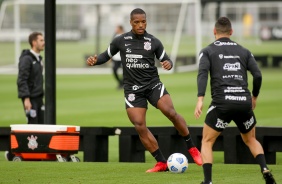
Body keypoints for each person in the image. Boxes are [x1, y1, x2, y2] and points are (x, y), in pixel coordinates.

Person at [87, 8, 202, 172]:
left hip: (153, 85)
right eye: (137, 22)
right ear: (131, 22)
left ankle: (191, 147)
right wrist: (95, 60)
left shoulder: (154, 41)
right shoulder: (121, 40)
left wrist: (168, 64)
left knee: (170, 112)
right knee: (139, 125)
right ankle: (161, 162)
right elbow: (106, 55)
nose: (141, 25)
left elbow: (166, 59)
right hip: (133, 90)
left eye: (143, 22)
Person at [194, 17, 276, 184]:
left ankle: (208, 181)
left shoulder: (208, 50)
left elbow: (202, 74)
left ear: (214, 31)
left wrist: (200, 99)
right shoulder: (244, 51)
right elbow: (258, 75)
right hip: (243, 102)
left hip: (222, 103)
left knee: (207, 141)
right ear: (231, 32)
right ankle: (264, 168)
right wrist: (254, 96)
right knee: (251, 139)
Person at [17, 32, 45, 124]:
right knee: (33, 126)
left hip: (39, 98)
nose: (43, 42)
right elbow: (22, 79)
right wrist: (26, 99)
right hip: (31, 99)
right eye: (41, 40)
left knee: (43, 125)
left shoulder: (39, 59)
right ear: (34, 42)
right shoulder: (26, 59)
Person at [111, 25, 124, 89]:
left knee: (126, 71)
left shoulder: (126, 36)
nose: (115, 29)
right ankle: (120, 82)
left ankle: (123, 83)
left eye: (117, 28)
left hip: (123, 57)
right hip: (116, 57)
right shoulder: (115, 36)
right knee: (114, 70)